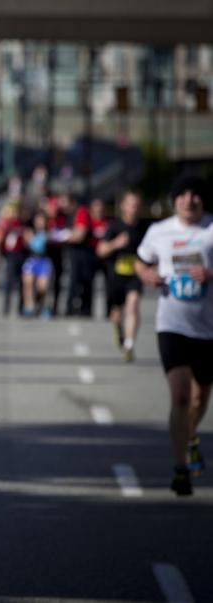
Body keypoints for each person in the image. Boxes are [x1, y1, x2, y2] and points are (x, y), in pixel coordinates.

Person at [135, 178, 213, 497]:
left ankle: (190, 435)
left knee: (199, 396)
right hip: (172, 324)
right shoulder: (159, 231)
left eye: (195, 195)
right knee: (180, 395)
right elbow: (141, 261)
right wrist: (147, 275)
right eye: (182, 194)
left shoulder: (211, 229)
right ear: (174, 200)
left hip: (208, 327)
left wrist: (210, 275)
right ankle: (180, 467)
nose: (189, 200)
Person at [98, 191, 146, 362]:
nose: (134, 208)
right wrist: (116, 243)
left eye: (137, 204)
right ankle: (120, 331)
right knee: (116, 314)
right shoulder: (114, 226)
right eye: (131, 204)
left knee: (133, 305)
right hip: (115, 276)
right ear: (123, 206)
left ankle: (129, 344)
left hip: (135, 275)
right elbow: (101, 250)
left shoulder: (144, 227)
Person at [0, 202, 27, 317]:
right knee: (9, 282)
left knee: (22, 282)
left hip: (22, 254)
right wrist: (0, 253)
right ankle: (6, 307)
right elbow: (0, 239)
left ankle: (21, 307)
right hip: (11, 255)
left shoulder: (24, 224)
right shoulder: (7, 224)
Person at [21, 210, 54, 319]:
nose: (40, 222)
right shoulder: (30, 232)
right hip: (32, 260)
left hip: (44, 261)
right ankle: (29, 307)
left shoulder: (49, 232)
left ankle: (44, 306)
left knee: (43, 287)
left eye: (42, 220)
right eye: (38, 220)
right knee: (28, 283)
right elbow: (31, 245)